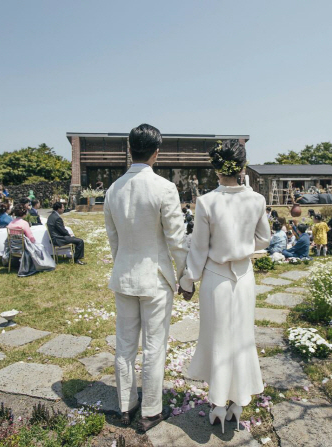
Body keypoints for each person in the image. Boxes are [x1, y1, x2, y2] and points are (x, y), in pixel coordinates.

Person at [103, 124, 191, 432]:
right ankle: (151, 410)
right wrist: (186, 278)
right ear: (156, 152)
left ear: (129, 148)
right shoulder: (164, 188)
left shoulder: (112, 189)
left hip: (124, 275)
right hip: (154, 278)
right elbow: (178, 241)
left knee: (125, 344)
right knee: (155, 346)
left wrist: (122, 266)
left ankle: (125, 405)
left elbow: (113, 239)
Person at [181, 138, 270, 434]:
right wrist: (244, 248)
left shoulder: (207, 201)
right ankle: (238, 403)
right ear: (242, 166)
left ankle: (218, 405)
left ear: (216, 168)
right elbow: (264, 240)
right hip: (243, 277)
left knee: (218, 339)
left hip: (216, 278)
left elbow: (199, 248)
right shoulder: (256, 200)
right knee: (242, 338)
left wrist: (188, 280)